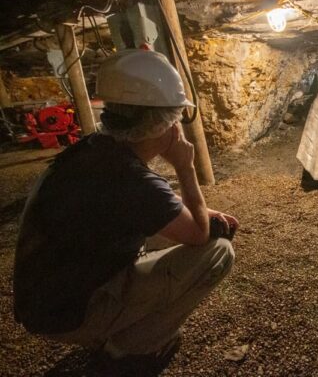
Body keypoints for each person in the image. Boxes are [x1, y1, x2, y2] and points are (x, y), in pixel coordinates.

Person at [13, 49, 237, 364]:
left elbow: (142, 207)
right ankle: (130, 348)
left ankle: (112, 323)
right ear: (164, 125)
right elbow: (199, 234)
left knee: (176, 231)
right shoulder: (130, 179)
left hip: (45, 300)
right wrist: (185, 168)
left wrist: (203, 213)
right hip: (70, 314)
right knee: (217, 252)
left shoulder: (96, 151)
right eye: (174, 119)